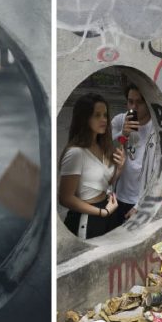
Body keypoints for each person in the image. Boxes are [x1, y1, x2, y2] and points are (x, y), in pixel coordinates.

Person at [59, 93, 125, 239]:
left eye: (105, 115)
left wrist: (119, 168)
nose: (103, 120)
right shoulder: (75, 153)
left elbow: (103, 183)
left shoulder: (101, 146)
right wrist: (103, 212)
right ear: (84, 118)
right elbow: (65, 198)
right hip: (88, 217)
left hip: (107, 209)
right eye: (97, 115)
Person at [110, 83, 156, 226]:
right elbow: (106, 151)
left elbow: (160, 170)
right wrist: (123, 135)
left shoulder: (156, 127)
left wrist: (140, 205)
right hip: (119, 195)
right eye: (130, 101)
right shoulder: (119, 121)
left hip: (141, 199)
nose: (134, 107)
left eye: (140, 102)